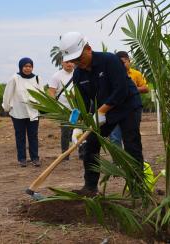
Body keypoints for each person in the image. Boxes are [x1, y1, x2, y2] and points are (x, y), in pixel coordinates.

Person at [58, 32, 144, 197]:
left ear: (88, 49)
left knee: (132, 144)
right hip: (103, 111)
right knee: (90, 144)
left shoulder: (110, 60)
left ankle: (138, 190)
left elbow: (121, 91)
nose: (78, 64)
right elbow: (83, 101)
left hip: (127, 106)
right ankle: (90, 188)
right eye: (74, 61)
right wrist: (78, 123)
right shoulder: (78, 74)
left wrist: (102, 111)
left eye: (79, 59)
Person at [2, 57, 43, 167]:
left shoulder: (37, 78)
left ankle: (35, 158)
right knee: (20, 136)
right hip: (18, 112)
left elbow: (41, 94)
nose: (27, 68)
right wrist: (7, 107)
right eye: (25, 66)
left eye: (30, 66)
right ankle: (22, 159)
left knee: (33, 136)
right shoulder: (15, 78)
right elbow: (7, 94)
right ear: (21, 67)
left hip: (33, 112)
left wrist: (42, 108)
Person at [109, 51, 149, 147]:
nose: (122, 65)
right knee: (114, 137)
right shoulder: (111, 75)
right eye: (119, 63)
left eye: (124, 62)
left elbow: (146, 88)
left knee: (131, 137)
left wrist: (132, 88)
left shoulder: (136, 74)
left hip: (133, 109)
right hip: (115, 109)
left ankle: (132, 160)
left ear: (129, 61)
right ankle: (118, 161)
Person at [48, 61, 83, 160]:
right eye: (67, 62)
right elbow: (51, 92)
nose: (69, 64)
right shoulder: (56, 76)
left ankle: (82, 153)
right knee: (65, 133)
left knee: (79, 130)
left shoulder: (78, 73)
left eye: (71, 62)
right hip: (63, 110)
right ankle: (65, 154)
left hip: (76, 109)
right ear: (62, 63)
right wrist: (55, 107)